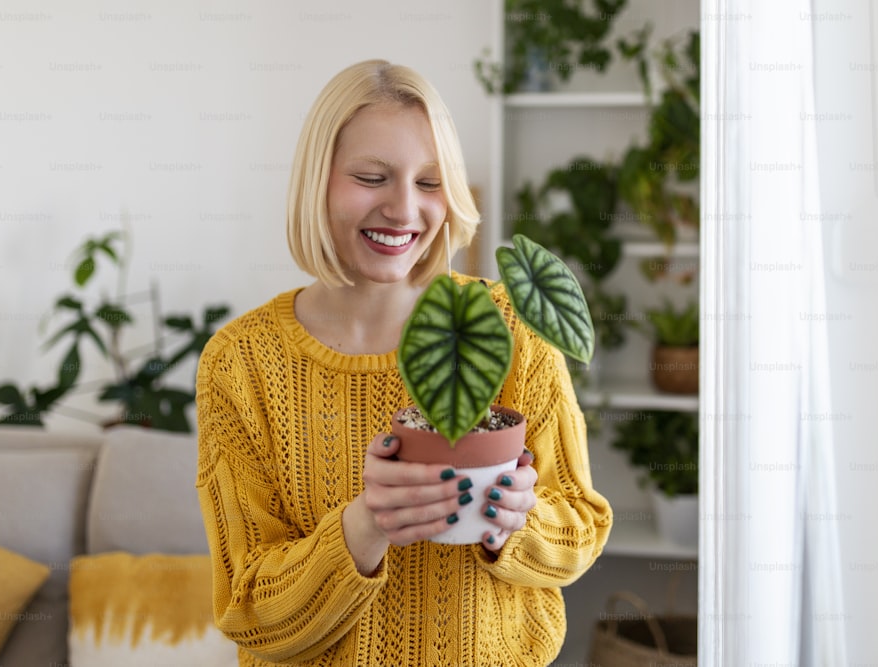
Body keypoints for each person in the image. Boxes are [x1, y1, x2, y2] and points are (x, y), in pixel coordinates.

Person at [195, 59, 612, 667]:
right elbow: (249, 610)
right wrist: (366, 526)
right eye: (371, 177)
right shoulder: (242, 363)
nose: (403, 209)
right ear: (318, 181)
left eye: (429, 182)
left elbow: (580, 529)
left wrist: (515, 519)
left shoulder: (510, 326)